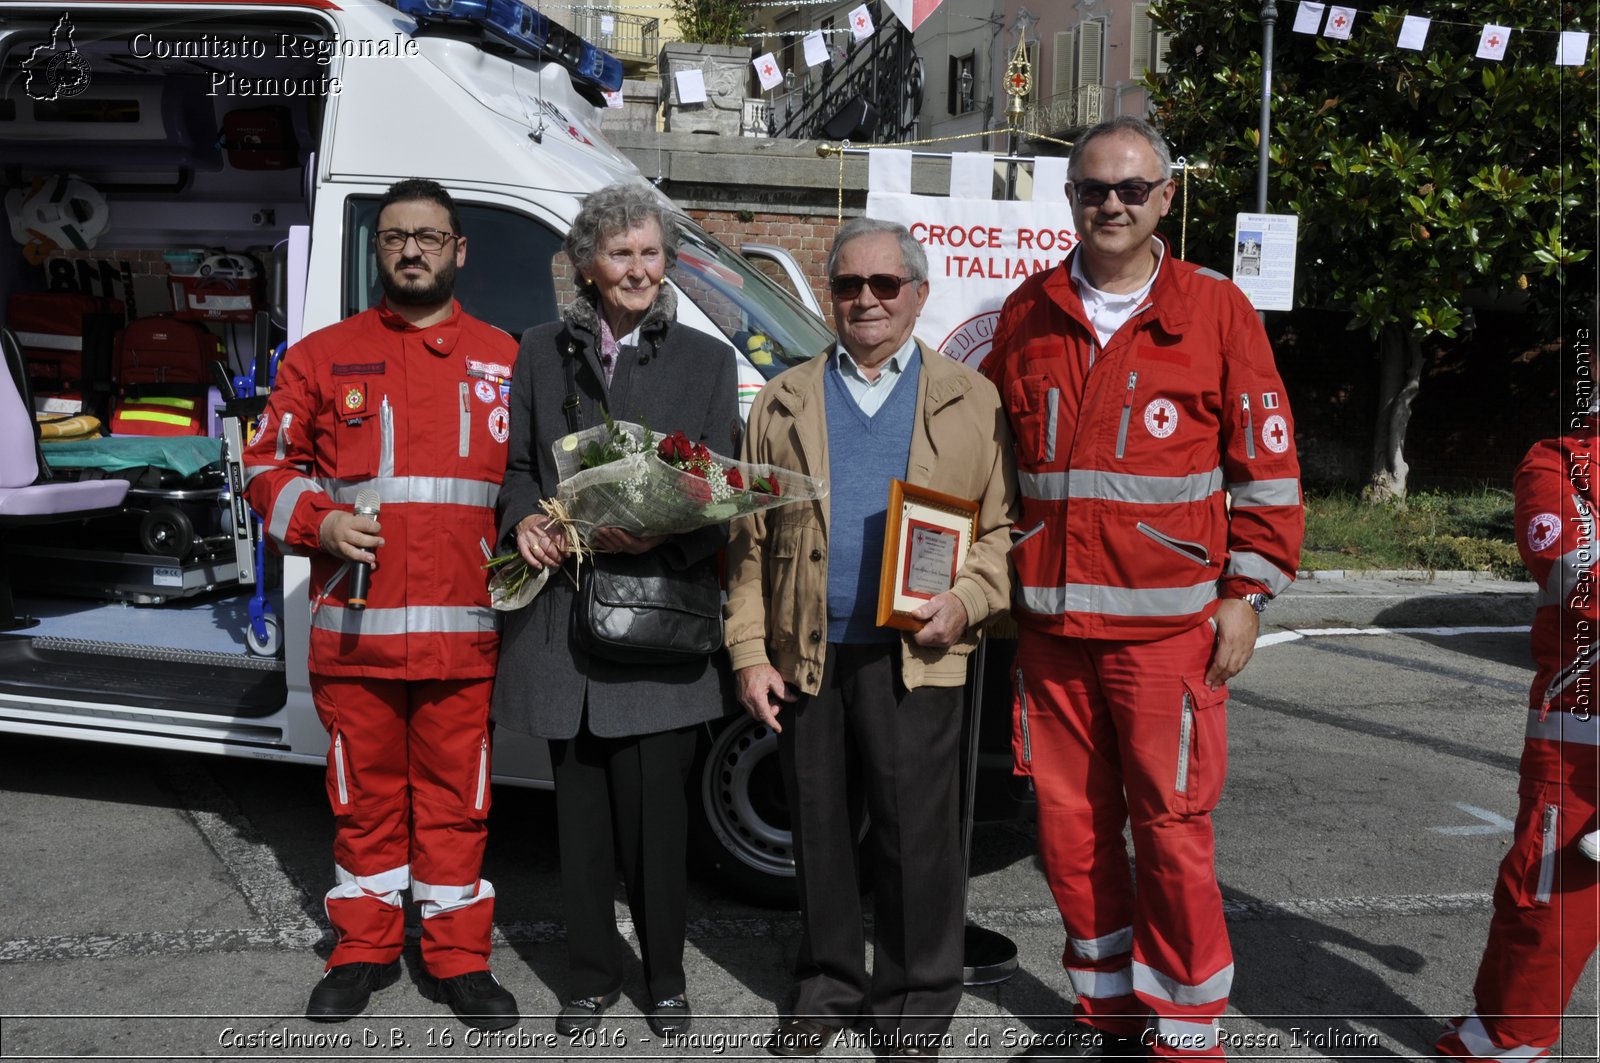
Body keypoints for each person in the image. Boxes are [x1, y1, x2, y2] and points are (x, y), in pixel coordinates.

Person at [981, 116, 1304, 1060]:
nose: (1111, 204)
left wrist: (1247, 590)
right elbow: (985, 453)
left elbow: (1269, 471)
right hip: (1052, 628)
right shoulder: (1028, 311)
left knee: (1171, 834)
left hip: (1170, 635)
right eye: (1093, 189)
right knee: (1070, 833)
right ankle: (1106, 1013)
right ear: (1071, 198)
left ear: (1167, 197)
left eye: (1131, 188)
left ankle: (1187, 1028)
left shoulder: (1215, 311)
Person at [725, 217, 1016, 1059]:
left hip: (920, 655)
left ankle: (915, 1002)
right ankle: (826, 985)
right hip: (809, 650)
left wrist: (964, 600)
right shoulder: (783, 400)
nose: (866, 300)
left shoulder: (971, 398)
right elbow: (745, 541)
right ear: (830, 294)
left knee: (915, 839)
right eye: (849, 285)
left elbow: (1001, 532)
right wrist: (749, 651)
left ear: (918, 295)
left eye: (885, 285)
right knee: (817, 834)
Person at [243, 178, 519, 1029]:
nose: (411, 250)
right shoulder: (322, 356)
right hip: (355, 633)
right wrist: (321, 525)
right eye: (396, 236)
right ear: (377, 249)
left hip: (465, 637)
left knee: (456, 799)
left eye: (430, 237)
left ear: (458, 250)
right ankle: (362, 950)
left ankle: (458, 958)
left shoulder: (507, 357)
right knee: (364, 801)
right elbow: (262, 467)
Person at [492, 182, 738, 1039]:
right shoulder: (535, 350)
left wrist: (658, 535)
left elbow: (720, 495)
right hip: (564, 630)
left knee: (658, 828)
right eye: (621, 253)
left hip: (657, 619)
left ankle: (665, 978)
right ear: (588, 266)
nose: (638, 268)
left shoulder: (708, 362)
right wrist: (523, 516)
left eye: (650, 252)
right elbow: (520, 466)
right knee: (581, 824)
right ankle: (591, 976)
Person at [1434, 415, 1599, 1061]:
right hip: (1582, 743)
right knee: (1549, 908)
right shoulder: (1559, 464)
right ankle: (1501, 1045)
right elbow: (1573, 574)